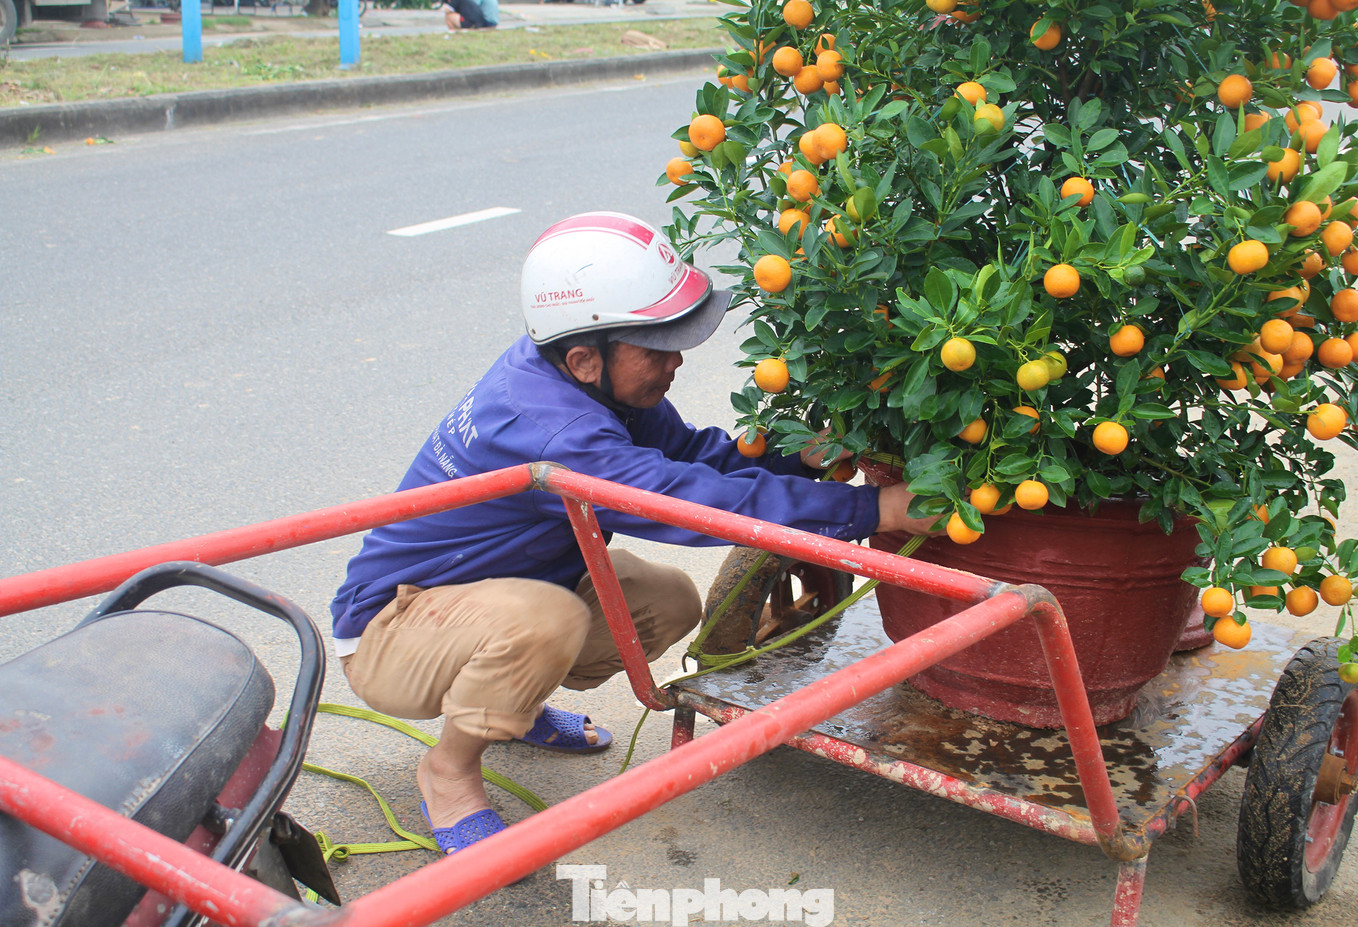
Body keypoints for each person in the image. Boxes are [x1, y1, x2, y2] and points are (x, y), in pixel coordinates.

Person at [329, 211, 940, 857]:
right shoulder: (554, 428)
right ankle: (448, 770)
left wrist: (801, 454)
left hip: (494, 593)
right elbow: (687, 503)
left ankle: (512, 706)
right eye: (658, 347)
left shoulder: (580, 376)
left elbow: (695, 459)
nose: (676, 360)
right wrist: (877, 510)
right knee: (547, 618)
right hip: (393, 628)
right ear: (588, 357)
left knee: (667, 599)